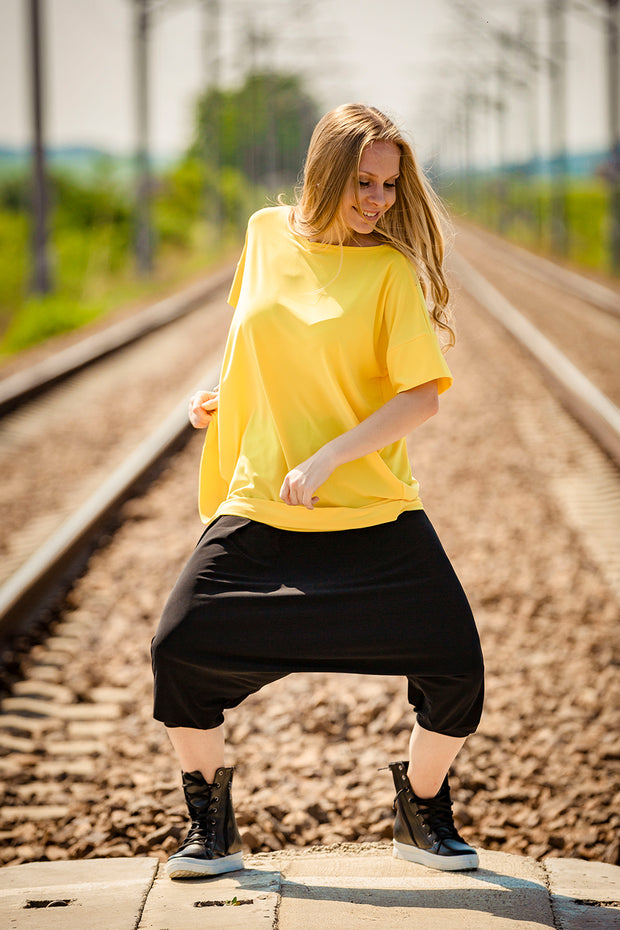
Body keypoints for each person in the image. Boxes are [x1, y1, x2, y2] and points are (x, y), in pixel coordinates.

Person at [151, 103, 484, 880]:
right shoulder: (266, 235)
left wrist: (333, 456)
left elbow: (420, 398)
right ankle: (209, 823)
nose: (378, 200)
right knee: (179, 652)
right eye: (363, 182)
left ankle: (421, 810)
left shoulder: (388, 271)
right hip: (262, 500)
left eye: (390, 185)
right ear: (324, 173)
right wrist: (217, 396)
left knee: (456, 663)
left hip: (372, 510)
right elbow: (258, 339)